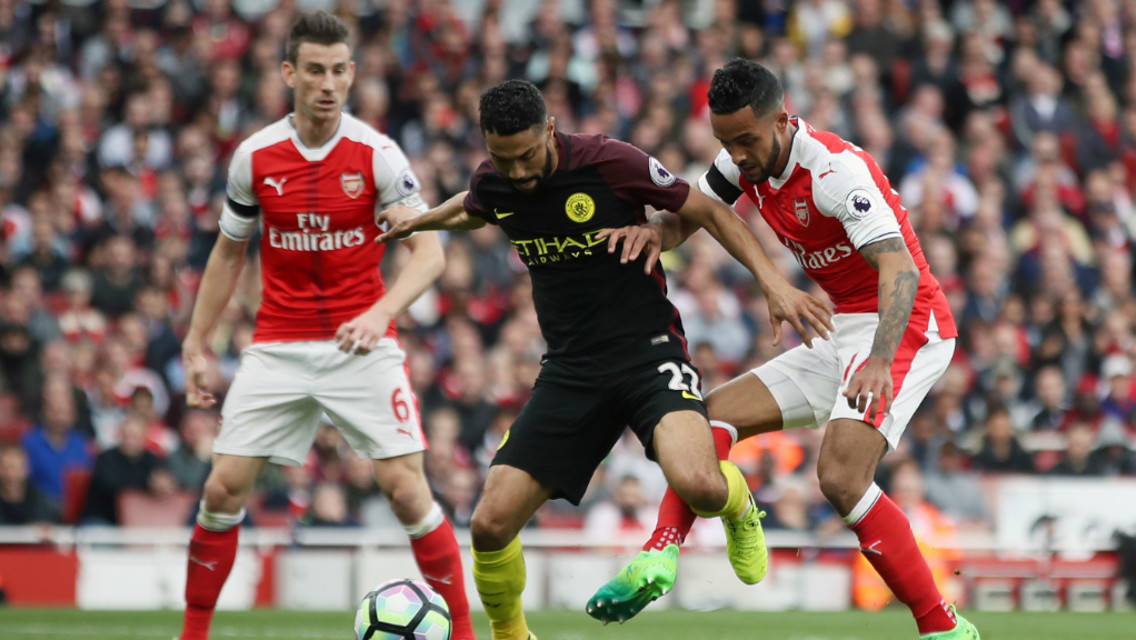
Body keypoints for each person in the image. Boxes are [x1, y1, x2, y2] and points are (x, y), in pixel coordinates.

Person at [377, 78, 833, 640]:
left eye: (525, 156)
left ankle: (738, 503)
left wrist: (772, 284)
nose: (517, 172)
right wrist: (420, 220)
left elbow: (709, 212)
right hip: (570, 371)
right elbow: (475, 209)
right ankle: (510, 635)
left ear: (549, 129)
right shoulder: (495, 181)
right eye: (502, 158)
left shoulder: (608, 161)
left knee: (702, 487)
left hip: (648, 353)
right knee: (490, 525)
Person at [593, 59, 979, 639]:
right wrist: (656, 233)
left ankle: (943, 627)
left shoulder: (833, 171)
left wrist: (878, 359)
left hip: (905, 325)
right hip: (839, 323)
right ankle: (667, 549)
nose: (739, 155)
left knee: (842, 478)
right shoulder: (740, 160)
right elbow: (694, 214)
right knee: (705, 421)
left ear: (782, 118)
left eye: (747, 140)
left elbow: (898, 268)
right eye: (727, 142)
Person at [176, 12, 475, 640]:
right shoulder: (254, 158)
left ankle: (466, 636)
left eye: (339, 70)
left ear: (352, 74)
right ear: (289, 72)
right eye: (314, 70)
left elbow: (431, 252)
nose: (328, 83)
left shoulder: (377, 156)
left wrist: (380, 313)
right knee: (223, 490)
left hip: (359, 343)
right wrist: (197, 341)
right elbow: (229, 251)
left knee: (405, 490)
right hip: (278, 343)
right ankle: (193, 633)